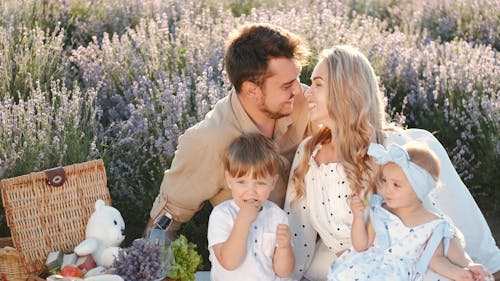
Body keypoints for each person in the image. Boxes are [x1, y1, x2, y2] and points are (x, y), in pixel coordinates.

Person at [284, 45, 500, 281]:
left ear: (345, 90)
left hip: (403, 265)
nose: (307, 94)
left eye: (318, 84)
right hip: (346, 269)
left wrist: (465, 265)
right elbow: (298, 234)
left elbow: (429, 219)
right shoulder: (307, 154)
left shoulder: (389, 149)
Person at [146, 23, 311, 236]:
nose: (299, 90)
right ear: (252, 90)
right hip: (248, 257)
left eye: (297, 78)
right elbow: (166, 219)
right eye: (287, 85)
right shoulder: (209, 140)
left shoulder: (305, 102)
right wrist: (147, 264)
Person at [327, 143, 492, 281]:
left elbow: (437, 259)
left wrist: (465, 269)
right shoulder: (381, 212)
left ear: (418, 190)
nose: (386, 189)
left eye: (396, 185)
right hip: (368, 269)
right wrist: (358, 218)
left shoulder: (433, 225)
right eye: (385, 181)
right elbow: (361, 245)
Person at [207, 133, 294, 280]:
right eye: (242, 182)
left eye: (260, 183)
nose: (251, 191)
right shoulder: (222, 215)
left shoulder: (277, 216)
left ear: (272, 183)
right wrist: (242, 222)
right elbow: (229, 262)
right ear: (229, 180)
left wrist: (285, 248)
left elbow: (283, 271)